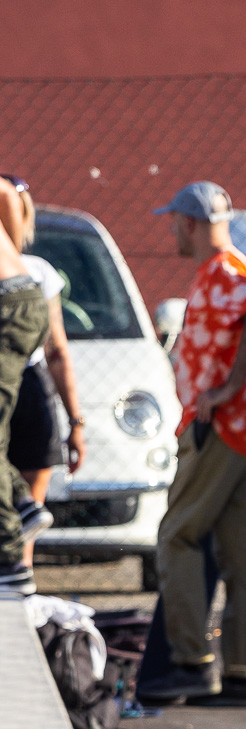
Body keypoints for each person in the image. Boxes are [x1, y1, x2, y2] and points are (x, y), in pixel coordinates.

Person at [137, 181, 246, 709]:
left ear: (190, 223)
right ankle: (245, 674)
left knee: (177, 535)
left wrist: (224, 390)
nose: (172, 229)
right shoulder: (232, 267)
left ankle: (190, 662)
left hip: (220, 428)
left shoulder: (222, 271)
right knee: (241, 552)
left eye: (174, 221)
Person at [8, 185, 86, 568]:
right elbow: (58, 351)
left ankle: (18, 589)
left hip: (25, 386)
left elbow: (57, 351)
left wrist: (76, 422)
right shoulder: (35, 271)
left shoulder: (37, 271)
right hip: (25, 385)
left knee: (27, 512)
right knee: (24, 510)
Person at [0, 174, 50, 595]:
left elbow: (4, 189)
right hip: (16, 299)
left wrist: (10, 256)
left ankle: (9, 558)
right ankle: (23, 503)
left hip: (8, 303)